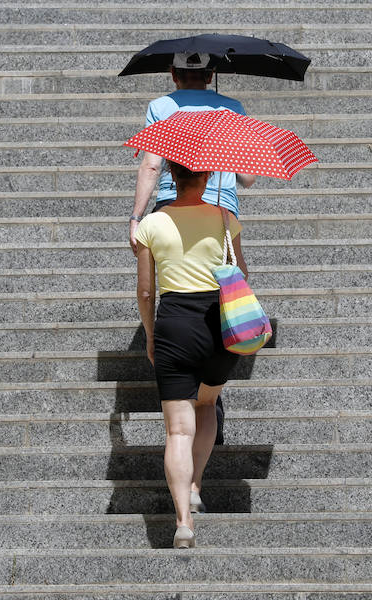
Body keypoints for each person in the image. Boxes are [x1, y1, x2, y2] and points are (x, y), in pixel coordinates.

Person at [129, 52, 256, 446]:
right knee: (220, 292)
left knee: (178, 288)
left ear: (173, 73)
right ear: (211, 74)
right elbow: (248, 177)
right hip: (220, 212)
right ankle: (210, 392)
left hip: (174, 204)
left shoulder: (162, 107)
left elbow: (151, 165)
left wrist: (136, 217)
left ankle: (181, 384)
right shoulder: (233, 108)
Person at [134, 160, 247, 548]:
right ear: (207, 177)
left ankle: (183, 523)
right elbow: (241, 275)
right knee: (207, 404)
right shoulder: (224, 217)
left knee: (177, 430)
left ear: (171, 176)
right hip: (217, 323)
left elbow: (147, 292)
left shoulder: (152, 224)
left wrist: (151, 334)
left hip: (174, 325)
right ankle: (196, 483)